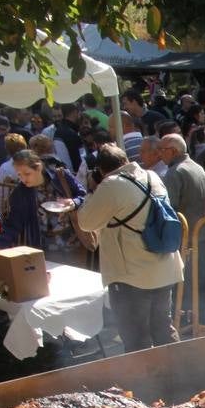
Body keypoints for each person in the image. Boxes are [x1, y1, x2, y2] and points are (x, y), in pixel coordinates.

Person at [76, 144, 183, 351]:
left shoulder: (112, 184)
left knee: (136, 337)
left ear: (101, 170)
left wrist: (92, 191)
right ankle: (178, 377)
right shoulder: (152, 176)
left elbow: (86, 222)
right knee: (163, 329)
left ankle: (142, 383)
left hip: (132, 275)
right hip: (164, 268)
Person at [0, 149, 87, 262]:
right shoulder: (20, 193)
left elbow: (84, 196)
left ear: (38, 168)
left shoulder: (60, 176)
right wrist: (0, 247)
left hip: (73, 244)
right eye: (19, 175)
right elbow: (13, 223)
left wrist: (74, 203)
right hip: (44, 248)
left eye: (27, 174)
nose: (23, 179)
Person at [159, 134, 205, 239]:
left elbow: (169, 207)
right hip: (204, 231)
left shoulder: (174, 172)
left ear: (173, 151)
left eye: (162, 149)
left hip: (186, 235)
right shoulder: (197, 167)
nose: (159, 154)